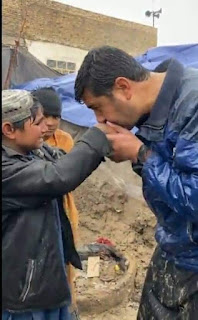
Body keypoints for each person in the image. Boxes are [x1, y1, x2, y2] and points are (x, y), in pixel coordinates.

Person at [74, 46, 198, 320]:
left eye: (97, 108)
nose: (100, 120)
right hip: (173, 247)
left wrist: (140, 154)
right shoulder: (153, 113)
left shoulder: (193, 104)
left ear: (123, 87)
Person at [2, 89, 115, 320]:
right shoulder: (6, 169)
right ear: (9, 130)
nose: (47, 127)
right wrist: (98, 137)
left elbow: (63, 161)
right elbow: (57, 176)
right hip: (23, 295)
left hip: (45, 281)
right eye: (38, 122)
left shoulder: (33, 151)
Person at [33, 87, 79, 316]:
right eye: (46, 116)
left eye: (56, 117)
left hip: (62, 209)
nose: (50, 123)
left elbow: (64, 175)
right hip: (35, 215)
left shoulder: (64, 139)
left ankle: (67, 305)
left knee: (64, 260)